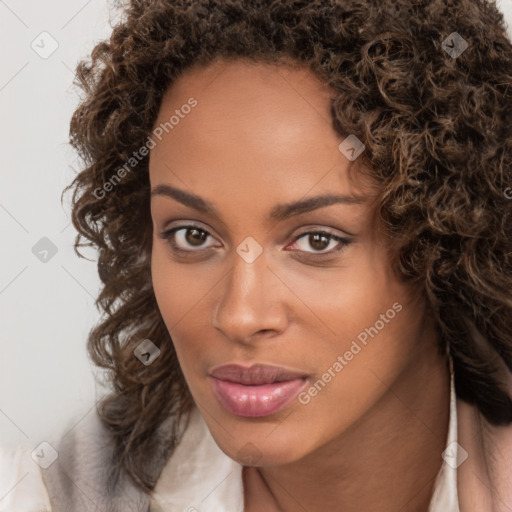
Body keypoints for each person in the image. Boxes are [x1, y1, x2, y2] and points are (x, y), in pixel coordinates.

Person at [2, 0, 512, 510]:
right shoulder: (55, 494)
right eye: (192, 236)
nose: (240, 316)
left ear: (445, 242)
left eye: (317, 240)